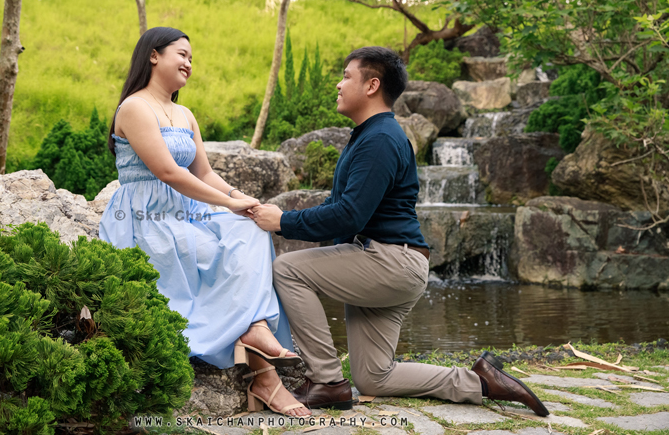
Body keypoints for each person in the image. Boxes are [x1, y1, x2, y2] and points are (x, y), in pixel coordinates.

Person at [249, 46, 549, 416]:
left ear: (372, 85)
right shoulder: (369, 136)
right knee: (374, 377)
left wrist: (283, 221)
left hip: (389, 261)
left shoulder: (380, 140)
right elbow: (338, 207)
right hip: (393, 261)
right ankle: (481, 381)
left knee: (288, 269)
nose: (339, 85)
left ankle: (326, 381)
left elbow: (348, 216)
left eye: (346, 76)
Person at [99, 27, 310, 417]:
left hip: (187, 209)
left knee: (251, 228)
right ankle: (261, 362)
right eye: (181, 54)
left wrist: (240, 201)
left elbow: (205, 173)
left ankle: (256, 326)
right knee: (205, 245)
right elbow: (168, 172)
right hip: (146, 216)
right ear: (153, 55)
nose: (188, 64)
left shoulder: (185, 114)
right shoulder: (133, 107)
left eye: (191, 59)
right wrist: (227, 205)